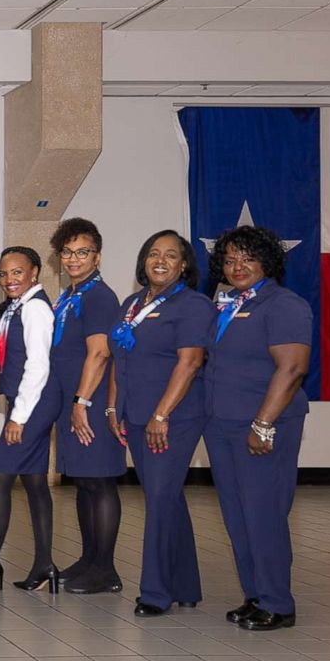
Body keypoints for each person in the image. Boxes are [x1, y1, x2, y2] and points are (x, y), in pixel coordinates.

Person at [203, 225, 310, 631]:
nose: (237, 266)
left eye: (247, 257)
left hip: (264, 425)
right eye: (229, 259)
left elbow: (293, 367)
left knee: (264, 514)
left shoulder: (283, 304)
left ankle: (278, 603)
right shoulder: (225, 305)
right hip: (222, 424)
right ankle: (255, 594)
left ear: (267, 260)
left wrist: (263, 424)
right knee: (237, 515)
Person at [108, 230, 214, 617]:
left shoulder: (193, 305)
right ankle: (185, 584)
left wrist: (161, 415)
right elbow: (119, 358)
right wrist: (113, 408)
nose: (161, 260)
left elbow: (190, 363)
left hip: (175, 418)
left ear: (184, 264)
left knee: (159, 497)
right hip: (135, 414)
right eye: (154, 252)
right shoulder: (132, 303)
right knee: (166, 495)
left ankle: (154, 591)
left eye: (171, 255)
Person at [0, 247, 60, 593]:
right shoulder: (13, 308)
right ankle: (45, 564)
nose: (9, 280)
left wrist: (18, 418)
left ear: (34, 273)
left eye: (17, 273)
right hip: (26, 401)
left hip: (35, 403)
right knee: (34, 483)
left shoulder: (35, 309)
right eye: (4, 274)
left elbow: (38, 366)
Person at [49, 219, 127, 594]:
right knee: (83, 484)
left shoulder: (98, 296)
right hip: (72, 403)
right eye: (67, 252)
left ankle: (106, 569)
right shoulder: (71, 295)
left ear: (97, 255)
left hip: (91, 404)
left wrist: (81, 402)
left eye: (82, 252)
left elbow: (99, 353)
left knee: (100, 482)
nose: (73, 259)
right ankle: (89, 559)